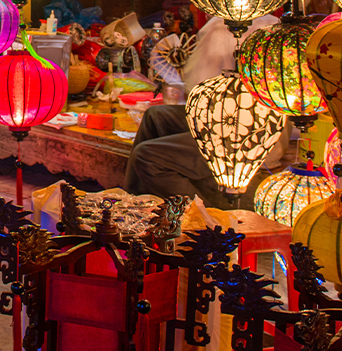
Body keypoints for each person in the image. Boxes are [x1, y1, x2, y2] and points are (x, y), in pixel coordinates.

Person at [123, 14, 288, 208]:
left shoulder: (243, 28)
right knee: (156, 116)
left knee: (148, 156)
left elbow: (198, 86)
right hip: (221, 118)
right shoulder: (221, 25)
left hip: (243, 138)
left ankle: (205, 216)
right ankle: (131, 202)